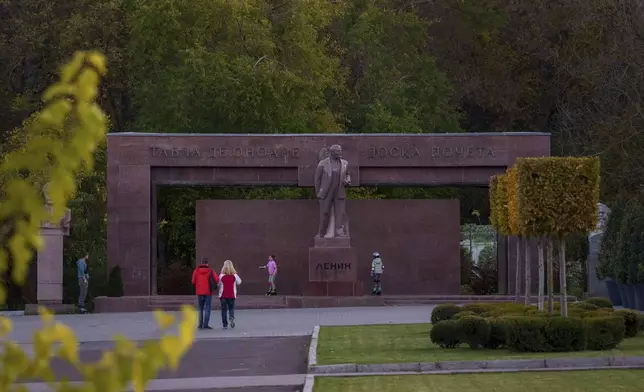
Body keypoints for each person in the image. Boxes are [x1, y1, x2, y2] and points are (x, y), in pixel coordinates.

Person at [191, 258, 219, 330]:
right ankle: (206, 324)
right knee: (207, 308)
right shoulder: (211, 271)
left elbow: (193, 281)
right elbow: (216, 279)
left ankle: (200, 324)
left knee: (200, 308)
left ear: (201, 263)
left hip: (199, 292)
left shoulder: (196, 271)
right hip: (208, 292)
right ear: (207, 264)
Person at [219, 260, 242, 329]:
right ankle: (231, 317)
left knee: (224, 310)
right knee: (231, 308)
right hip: (232, 295)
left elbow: (218, 283)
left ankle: (225, 324)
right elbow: (239, 282)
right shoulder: (234, 275)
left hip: (223, 295)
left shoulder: (221, 275)